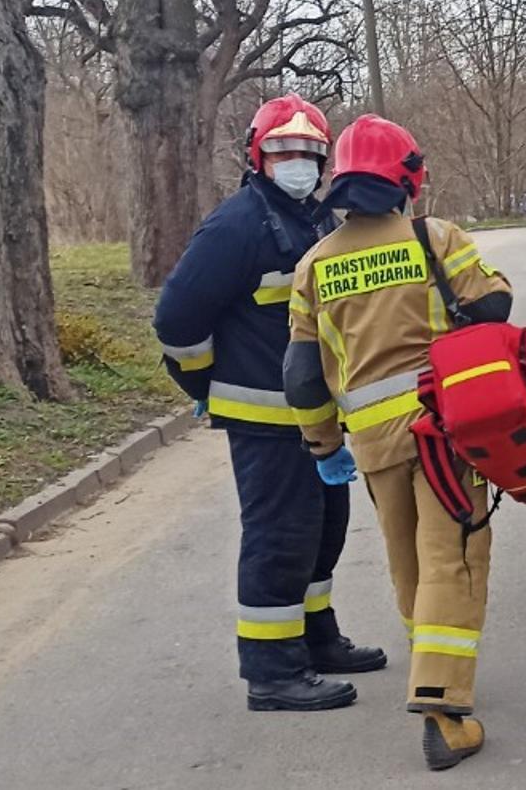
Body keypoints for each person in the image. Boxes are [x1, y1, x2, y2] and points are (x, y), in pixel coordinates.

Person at [283, 114, 514, 771]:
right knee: (453, 557)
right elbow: (496, 308)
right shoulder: (434, 239)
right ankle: (444, 710)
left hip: (374, 444)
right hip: (445, 430)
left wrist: (322, 446)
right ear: (407, 180)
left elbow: (302, 376)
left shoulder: (314, 266)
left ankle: (431, 666)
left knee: (408, 558)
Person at [154, 94, 387, 713]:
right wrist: (206, 385)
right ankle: (273, 671)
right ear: (259, 157)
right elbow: (177, 319)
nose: (299, 163)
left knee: (322, 530)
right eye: (285, 152)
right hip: (265, 418)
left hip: (314, 418)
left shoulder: (311, 219)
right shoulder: (237, 225)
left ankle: (315, 639)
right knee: (280, 537)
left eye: (310, 153)